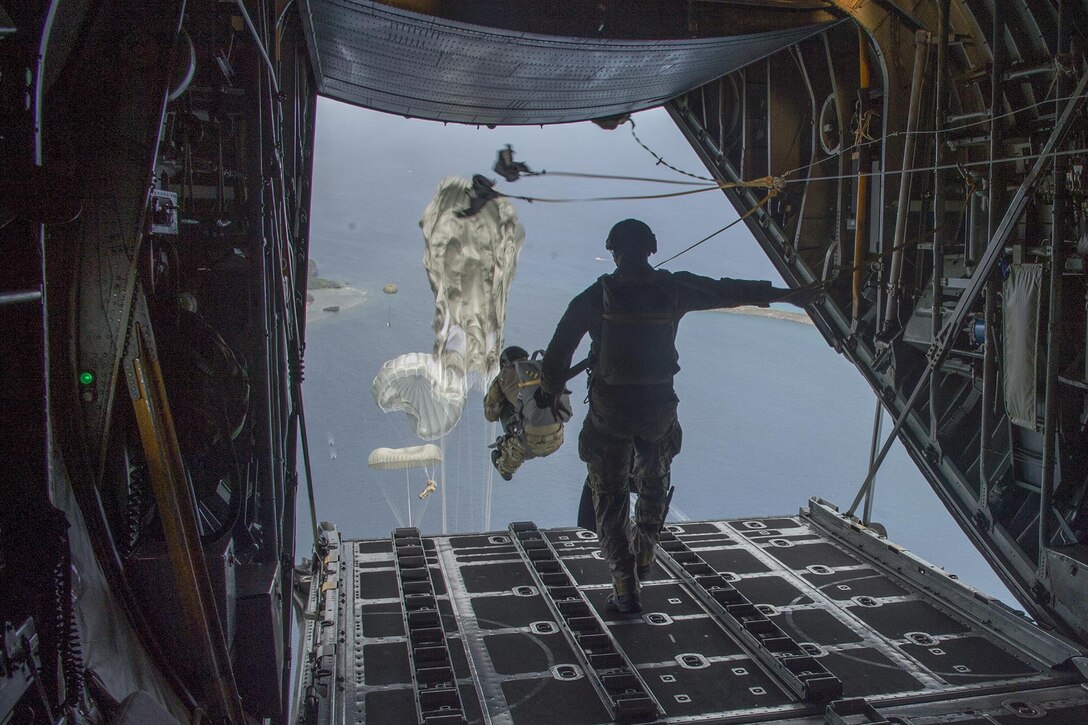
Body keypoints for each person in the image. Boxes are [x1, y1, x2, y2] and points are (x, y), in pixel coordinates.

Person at [540, 219, 821, 614]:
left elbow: (557, 355)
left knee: (609, 497)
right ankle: (645, 555)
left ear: (614, 250)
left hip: (610, 412)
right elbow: (728, 291)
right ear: (652, 248)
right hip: (657, 409)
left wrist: (551, 391)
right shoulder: (674, 288)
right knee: (653, 485)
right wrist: (789, 294)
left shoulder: (595, 297)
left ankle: (624, 586)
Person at [484, 346, 568, 481]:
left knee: (504, 407)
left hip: (530, 441)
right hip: (557, 439)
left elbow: (490, 414)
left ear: (505, 363)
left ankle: (508, 462)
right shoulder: (542, 367)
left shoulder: (503, 376)